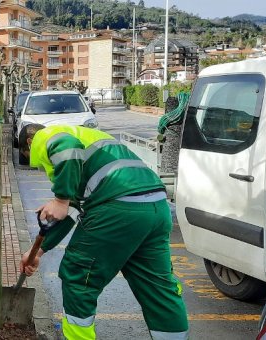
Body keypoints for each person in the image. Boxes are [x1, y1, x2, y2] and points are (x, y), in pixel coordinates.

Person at [18, 124, 189, 340]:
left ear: (29, 143)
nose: (44, 169)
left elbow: (66, 148)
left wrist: (60, 198)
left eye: (34, 160)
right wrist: (38, 251)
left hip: (117, 208)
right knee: (159, 287)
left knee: (79, 277)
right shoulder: (92, 141)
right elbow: (72, 209)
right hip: (155, 208)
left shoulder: (45, 135)